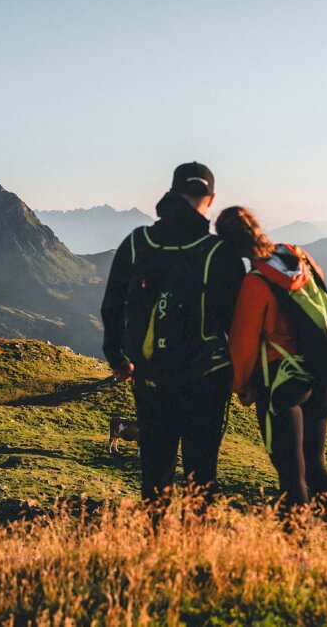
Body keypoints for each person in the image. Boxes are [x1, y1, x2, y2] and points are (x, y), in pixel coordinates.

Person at [100, 162, 245, 502]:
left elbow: (112, 305)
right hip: (206, 381)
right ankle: (196, 549)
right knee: (202, 474)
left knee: (155, 470)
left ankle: (157, 546)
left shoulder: (138, 243)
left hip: (151, 378)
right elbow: (236, 324)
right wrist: (244, 378)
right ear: (211, 199)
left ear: (173, 193)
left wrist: (116, 357)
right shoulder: (219, 253)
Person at [216, 206, 327, 524]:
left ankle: (297, 550)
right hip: (323, 373)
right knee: (315, 464)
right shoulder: (299, 256)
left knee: (291, 473)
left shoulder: (255, 283)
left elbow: (243, 345)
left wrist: (241, 387)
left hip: (282, 384)